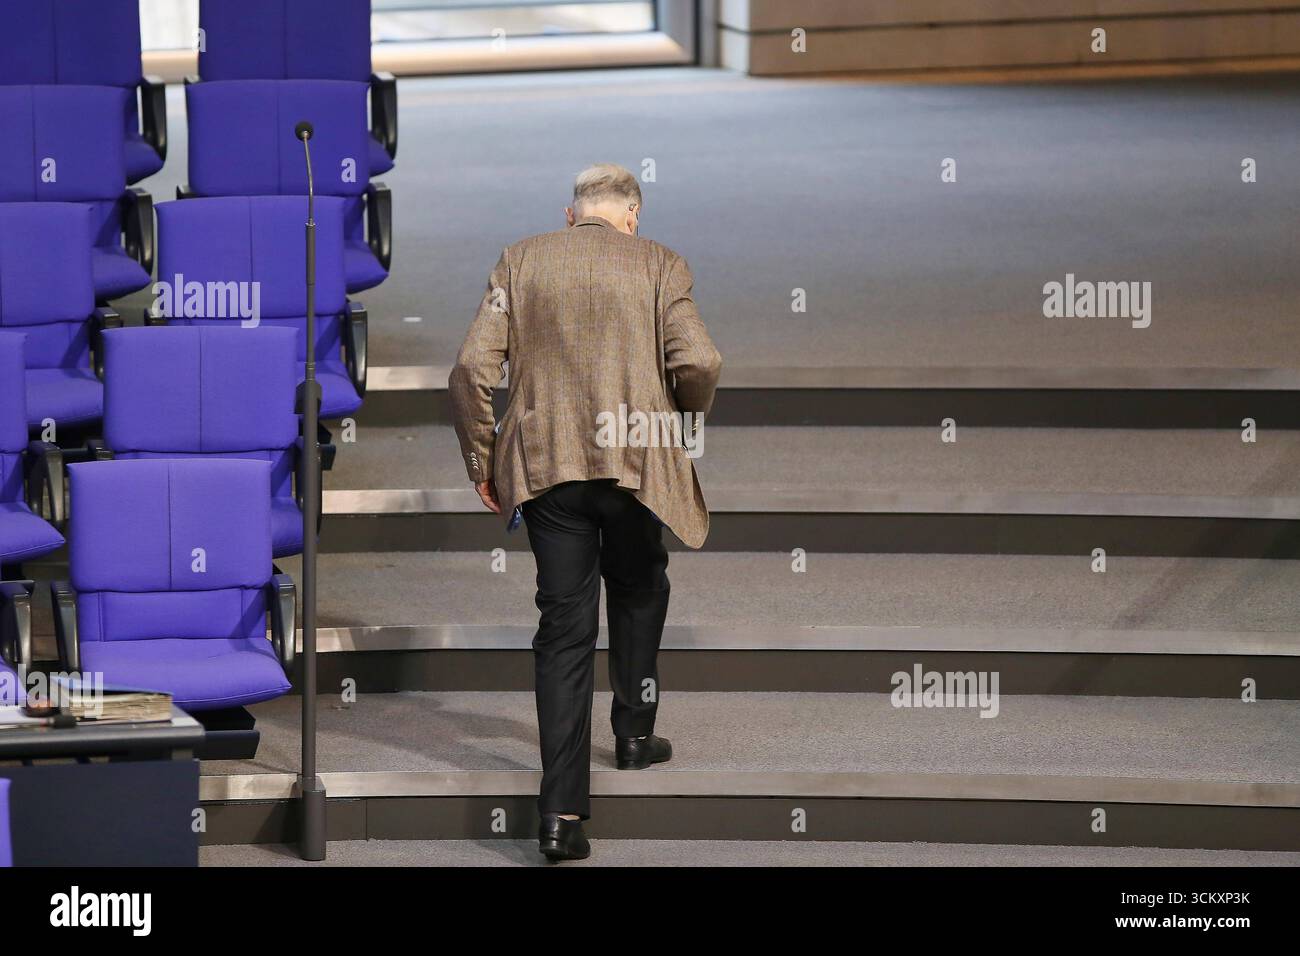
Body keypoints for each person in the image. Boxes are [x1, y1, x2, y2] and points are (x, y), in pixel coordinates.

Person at [449, 163, 722, 861]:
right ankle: (634, 732)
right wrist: (680, 423)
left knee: (564, 632)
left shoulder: (522, 259)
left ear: (572, 215)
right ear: (632, 219)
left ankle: (561, 815)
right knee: (640, 586)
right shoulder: (661, 264)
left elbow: (470, 371)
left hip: (549, 467)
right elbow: (701, 360)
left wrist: (485, 461)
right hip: (634, 461)